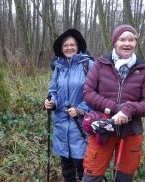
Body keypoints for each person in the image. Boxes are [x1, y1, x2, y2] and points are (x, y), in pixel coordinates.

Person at [82, 24, 145, 182]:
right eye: (122, 39)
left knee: (124, 178)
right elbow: (88, 92)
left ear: (135, 43)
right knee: (91, 176)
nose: (127, 43)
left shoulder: (142, 70)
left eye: (131, 40)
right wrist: (116, 108)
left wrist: (129, 109)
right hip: (103, 129)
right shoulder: (101, 65)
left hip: (130, 132)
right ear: (115, 42)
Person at [44, 29, 94, 182]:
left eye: (72, 45)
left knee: (82, 166)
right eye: (66, 45)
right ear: (61, 48)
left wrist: (81, 109)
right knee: (66, 169)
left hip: (80, 126)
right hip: (61, 124)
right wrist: (51, 102)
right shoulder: (59, 67)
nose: (69, 48)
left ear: (78, 47)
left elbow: (96, 94)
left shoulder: (89, 65)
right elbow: (53, 90)